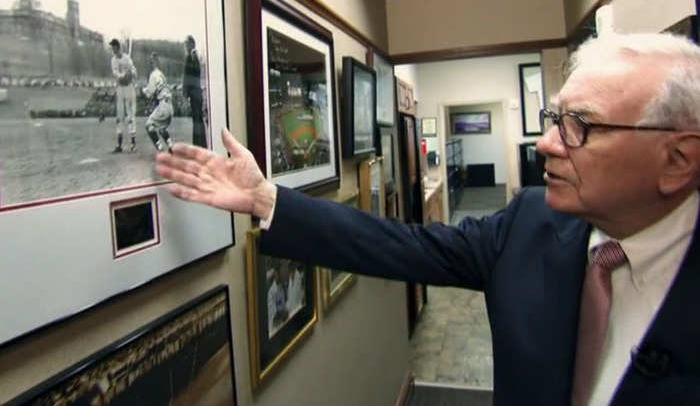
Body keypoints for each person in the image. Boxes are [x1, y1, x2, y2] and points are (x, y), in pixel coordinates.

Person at [155, 32, 700, 405]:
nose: (546, 145)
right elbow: (401, 243)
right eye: (553, 118)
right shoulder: (529, 222)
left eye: (581, 125)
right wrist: (268, 200)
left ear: (677, 160)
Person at [142, 52, 174, 153]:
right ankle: (171, 147)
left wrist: (143, 90)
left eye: (151, 62)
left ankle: (160, 150)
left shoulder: (153, 75)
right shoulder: (161, 74)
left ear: (153, 63)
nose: (150, 64)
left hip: (163, 105)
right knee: (161, 128)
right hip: (170, 106)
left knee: (149, 126)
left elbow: (150, 93)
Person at [109, 38, 137, 153]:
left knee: (130, 114)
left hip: (129, 88)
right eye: (112, 48)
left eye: (114, 47)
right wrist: (122, 75)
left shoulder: (127, 58)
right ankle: (119, 144)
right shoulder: (113, 60)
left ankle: (133, 143)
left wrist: (131, 73)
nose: (113, 50)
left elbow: (134, 71)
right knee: (119, 114)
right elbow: (115, 73)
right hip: (120, 88)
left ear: (118, 47)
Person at [182, 35, 207, 147]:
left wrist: (185, 93)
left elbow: (188, 77)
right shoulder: (194, 55)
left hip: (194, 92)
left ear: (191, 44)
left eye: (186, 43)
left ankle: (199, 144)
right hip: (196, 92)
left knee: (197, 120)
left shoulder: (191, 56)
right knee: (198, 119)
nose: (185, 46)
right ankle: (200, 144)